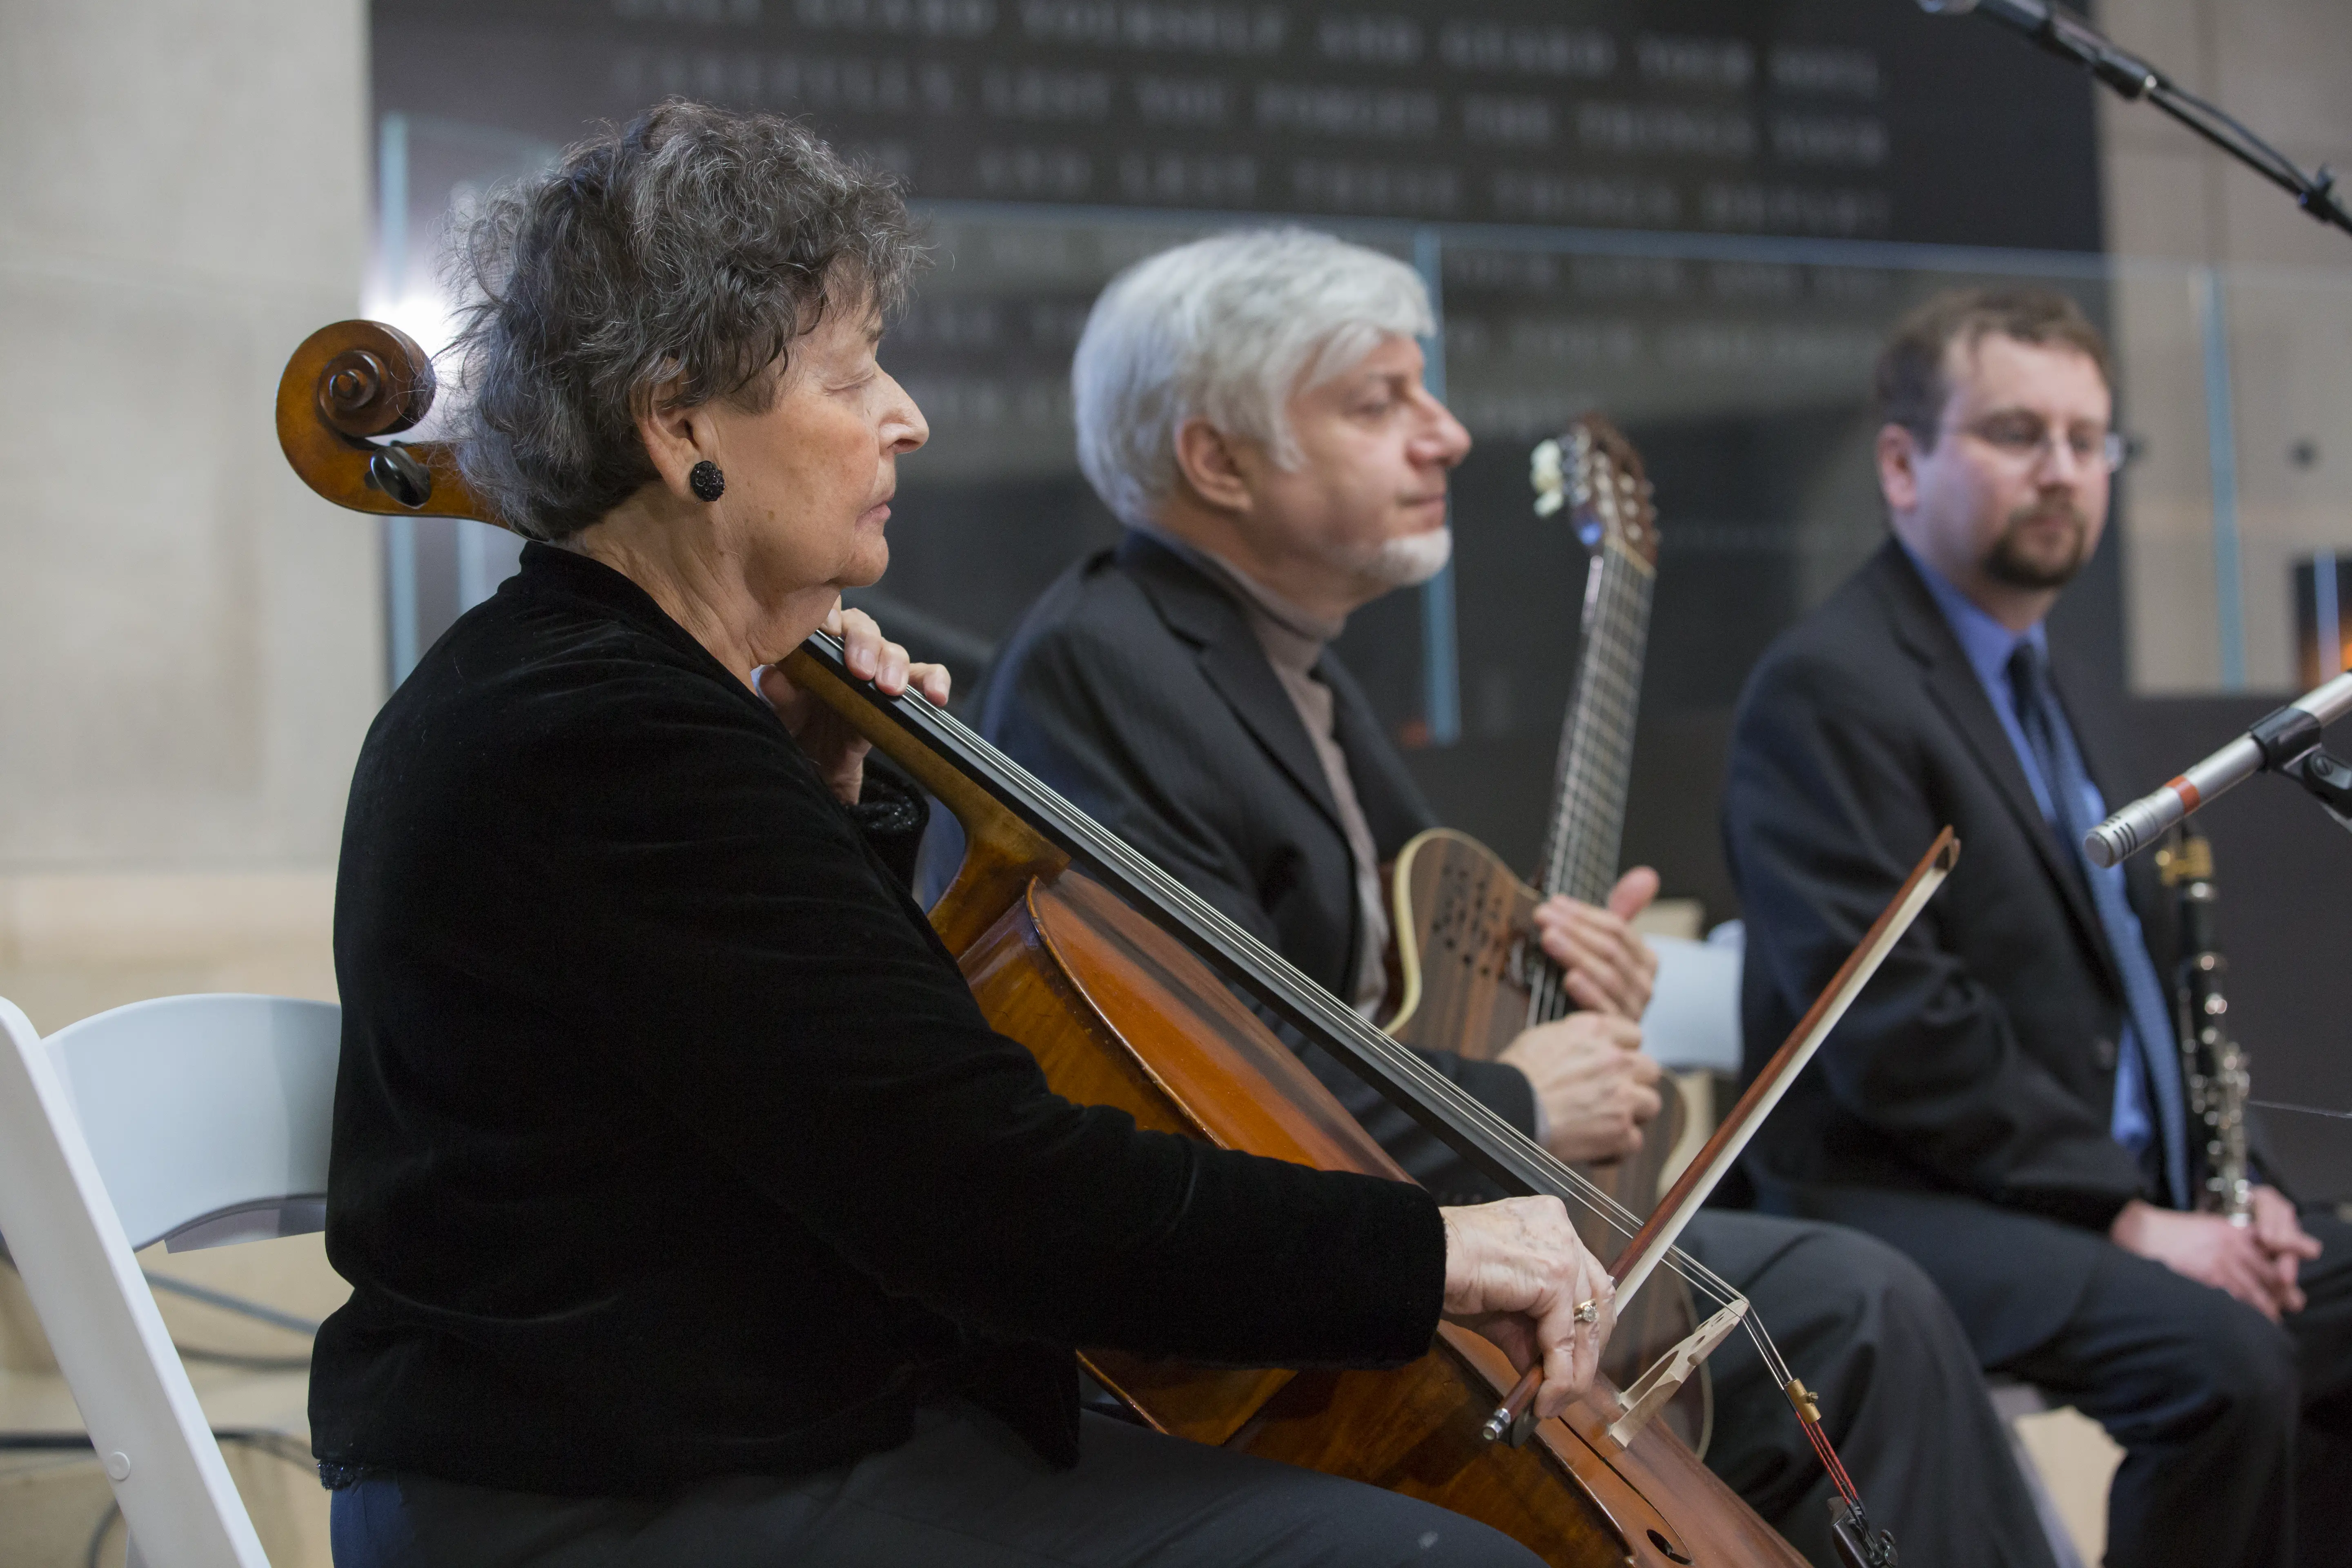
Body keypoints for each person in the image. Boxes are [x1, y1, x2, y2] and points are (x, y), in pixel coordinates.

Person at [310, 104, 1619, 1568]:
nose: (908, 417)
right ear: (679, 423)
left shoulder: (632, 706)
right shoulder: (601, 735)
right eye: (850, 374)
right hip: (616, 1497)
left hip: (742, 1433)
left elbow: (805, 1098)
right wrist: (1433, 1249)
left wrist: (830, 792)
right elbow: (984, 1193)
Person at [959, 228, 2058, 1568]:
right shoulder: (1110, 665)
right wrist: (1532, 1097)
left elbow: (1424, 973)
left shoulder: (1282, 657)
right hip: (1309, 1304)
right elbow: (1218, 1071)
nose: (1449, 436)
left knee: (1863, 1311)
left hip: (1447, 1234)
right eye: (1380, 403)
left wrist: (1562, 964)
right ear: (1216, 460)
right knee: (1862, 1308)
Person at [1722, 285, 2352, 1568]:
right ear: (1902, 464)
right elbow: (1904, 1034)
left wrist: (2250, 1198)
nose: (2063, 471)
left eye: (2088, 438)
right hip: (1890, 1200)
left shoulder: (2044, 674)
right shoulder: (1832, 687)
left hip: (2062, 1192)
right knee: (2221, 1364)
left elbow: (2152, 992)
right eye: (2019, 433)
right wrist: (2134, 1218)